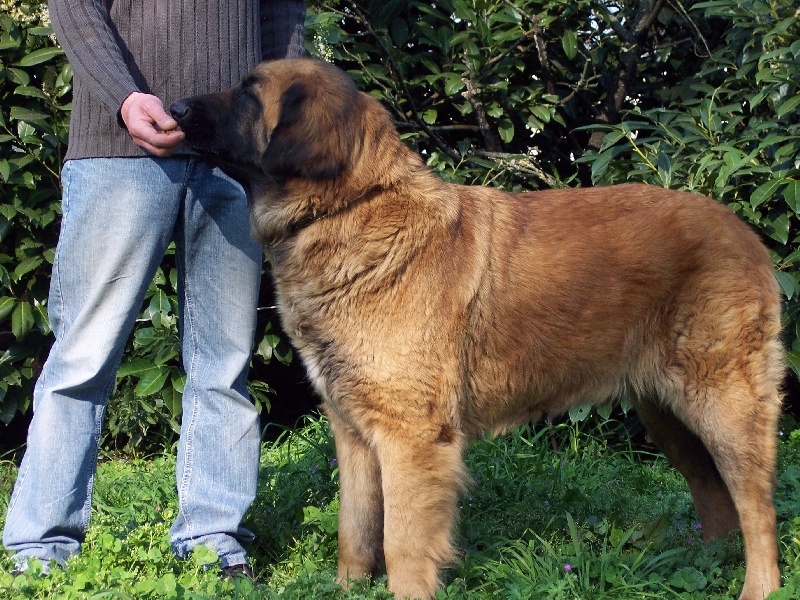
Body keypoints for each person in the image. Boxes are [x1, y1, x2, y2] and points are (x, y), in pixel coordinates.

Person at [3, 0, 306, 578]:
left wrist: (277, 123)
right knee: (83, 358)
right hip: (117, 148)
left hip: (234, 154)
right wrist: (123, 97)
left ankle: (212, 539)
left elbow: (282, 14)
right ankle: (40, 546)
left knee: (224, 364)